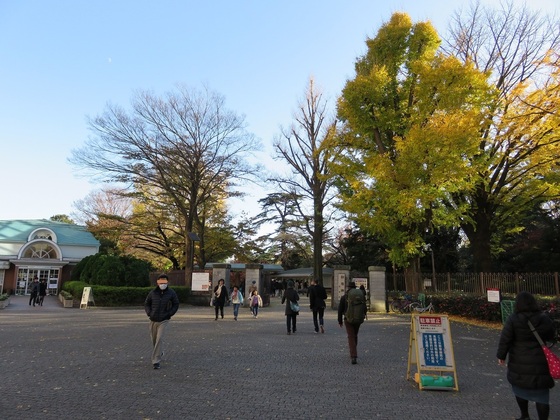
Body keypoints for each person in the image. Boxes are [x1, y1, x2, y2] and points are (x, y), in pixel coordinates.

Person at [497, 291, 555, 420]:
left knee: (520, 388)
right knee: (542, 395)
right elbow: (551, 335)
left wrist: (501, 355)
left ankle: (525, 415)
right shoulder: (543, 318)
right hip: (540, 359)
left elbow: (505, 339)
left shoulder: (513, 319)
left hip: (519, 359)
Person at [144, 274, 179, 370]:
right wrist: (149, 313)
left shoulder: (171, 293)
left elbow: (176, 304)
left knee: (159, 338)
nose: (162, 284)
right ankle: (159, 352)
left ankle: (156, 361)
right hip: (153, 319)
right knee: (154, 340)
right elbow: (147, 303)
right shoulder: (153, 293)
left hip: (164, 319)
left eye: (164, 282)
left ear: (167, 282)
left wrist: (169, 313)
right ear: (157, 282)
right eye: (161, 282)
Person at [338, 281, 366, 364]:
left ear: (348, 288)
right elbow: (364, 307)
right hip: (358, 318)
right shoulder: (360, 296)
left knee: (351, 336)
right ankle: (354, 350)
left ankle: (353, 355)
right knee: (355, 335)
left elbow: (340, 310)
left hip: (348, 319)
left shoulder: (344, 297)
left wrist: (340, 321)